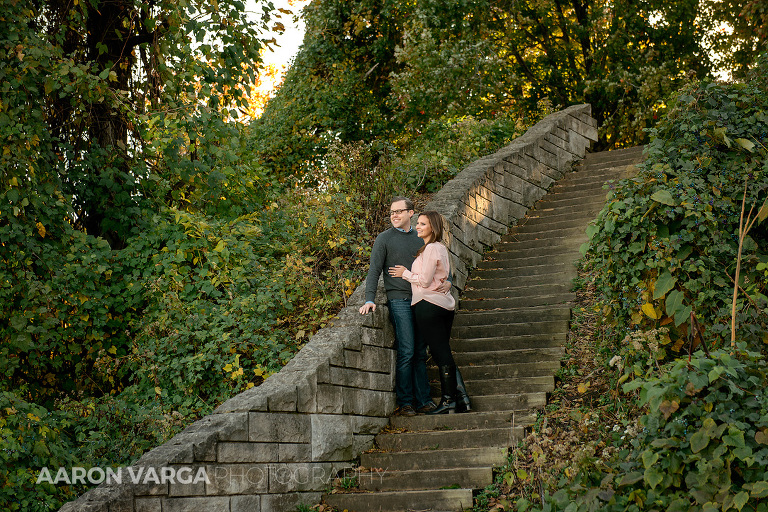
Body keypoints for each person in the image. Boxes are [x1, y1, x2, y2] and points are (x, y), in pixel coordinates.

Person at [359, 197, 449, 416]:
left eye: (399, 211)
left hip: (423, 299)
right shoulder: (384, 239)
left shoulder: (421, 238)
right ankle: (406, 401)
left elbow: (439, 265)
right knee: (407, 349)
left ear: (411, 213)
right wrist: (369, 298)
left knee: (420, 350)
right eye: (391, 212)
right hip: (399, 299)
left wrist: (449, 282)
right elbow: (374, 271)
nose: (394, 215)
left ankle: (424, 400)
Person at [389, 211, 471, 415]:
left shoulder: (432, 248)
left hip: (428, 305)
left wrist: (405, 274)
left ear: (432, 228)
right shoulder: (438, 248)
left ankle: (449, 400)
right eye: (418, 223)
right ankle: (461, 398)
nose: (418, 226)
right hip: (441, 305)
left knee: (440, 353)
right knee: (441, 351)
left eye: (422, 224)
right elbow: (441, 277)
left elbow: (425, 281)